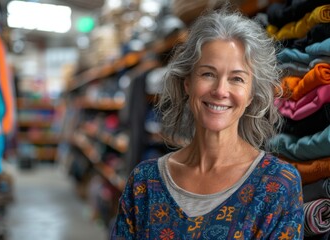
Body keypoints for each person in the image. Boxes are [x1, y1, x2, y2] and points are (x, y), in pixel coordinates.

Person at [111, 7, 304, 240]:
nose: (221, 90)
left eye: (237, 78)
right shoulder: (144, 182)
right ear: (187, 83)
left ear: (251, 95)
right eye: (208, 74)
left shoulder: (278, 184)